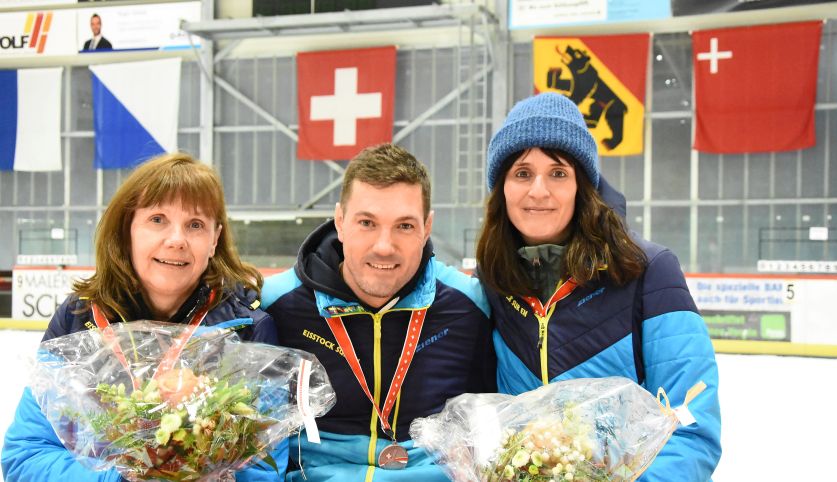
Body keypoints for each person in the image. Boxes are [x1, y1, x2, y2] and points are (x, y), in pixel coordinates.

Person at [476, 93, 721, 480]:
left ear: (582, 186)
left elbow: (692, 428)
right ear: (502, 188)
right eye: (522, 173)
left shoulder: (650, 272)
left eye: (558, 173)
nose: (538, 190)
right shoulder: (492, 281)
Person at [2, 153, 283, 481]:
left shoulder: (249, 330)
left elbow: (265, 469)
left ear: (214, 240)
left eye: (195, 225)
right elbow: (26, 454)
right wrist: (120, 479)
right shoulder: (78, 317)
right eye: (158, 219)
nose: (176, 240)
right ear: (128, 230)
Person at [262, 143, 495, 481]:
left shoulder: (469, 305)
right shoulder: (274, 304)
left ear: (427, 227)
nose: (384, 246)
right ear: (340, 222)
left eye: (405, 226)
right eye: (367, 222)